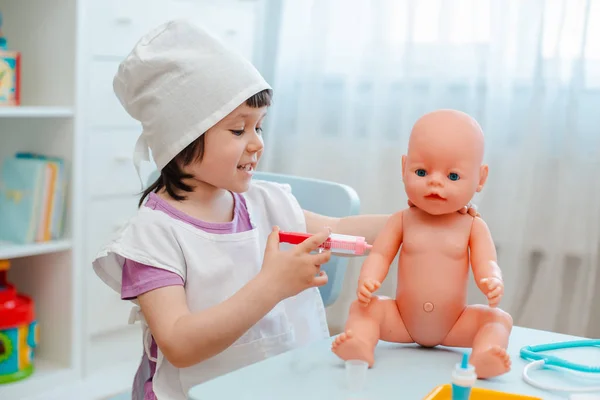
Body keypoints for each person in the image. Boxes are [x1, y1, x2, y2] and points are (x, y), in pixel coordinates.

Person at [92, 20, 480, 400]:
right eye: (238, 129)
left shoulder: (265, 202)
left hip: (280, 384)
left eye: (259, 127)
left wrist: (418, 218)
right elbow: (179, 343)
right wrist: (271, 285)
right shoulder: (153, 235)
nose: (257, 143)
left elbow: (340, 227)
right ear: (181, 138)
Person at [331, 110, 512, 379]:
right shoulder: (402, 221)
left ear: (480, 179)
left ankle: (485, 354)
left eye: (453, 176)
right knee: (363, 308)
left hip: (455, 324)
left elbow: (487, 261)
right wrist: (369, 277)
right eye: (421, 171)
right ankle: (361, 343)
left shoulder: (472, 226)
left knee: (498, 319)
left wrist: (491, 279)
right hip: (402, 320)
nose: (435, 181)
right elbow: (380, 254)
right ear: (404, 168)